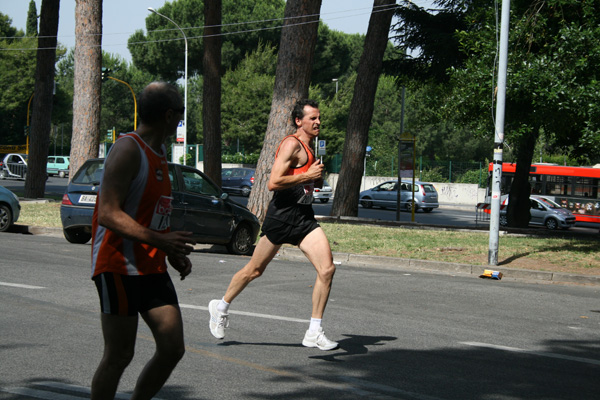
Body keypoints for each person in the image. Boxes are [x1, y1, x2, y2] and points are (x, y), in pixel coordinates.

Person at [90, 82, 197, 400]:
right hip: (117, 266)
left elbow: (154, 212)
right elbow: (108, 214)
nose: (181, 118)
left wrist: (171, 250)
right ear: (168, 115)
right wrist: (161, 241)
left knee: (172, 348)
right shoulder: (127, 150)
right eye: (181, 113)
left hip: (151, 266)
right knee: (120, 355)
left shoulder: (160, 151)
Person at [208, 99, 338, 351]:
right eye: (312, 118)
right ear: (299, 121)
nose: (318, 122)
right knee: (254, 270)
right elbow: (274, 182)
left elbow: (302, 183)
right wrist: (306, 175)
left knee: (327, 270)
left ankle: (314, 330)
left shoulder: (312, 148)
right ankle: (220, 306)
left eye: (319, 117)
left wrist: (312, 181)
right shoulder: (291, 144)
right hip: (280, 217)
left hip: (303, 218)